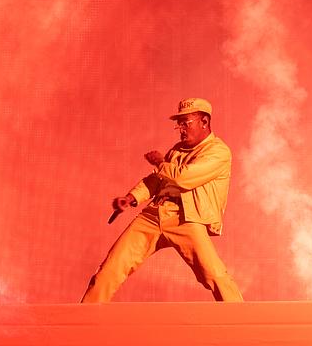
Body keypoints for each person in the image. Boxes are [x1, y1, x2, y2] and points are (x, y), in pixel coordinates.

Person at [82, 97, 243, 303]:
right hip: (153, 215)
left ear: (204, 121)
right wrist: (131, 198)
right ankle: (83, 316)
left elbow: (184, 178)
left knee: (214, 274)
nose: (181, 129)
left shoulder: (218, 151)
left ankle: (239, 316)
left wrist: (160, 162)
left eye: (186, 122)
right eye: (179, 124)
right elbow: (157, 180)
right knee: (110, 269)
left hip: (186, 218)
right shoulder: (177, 150)